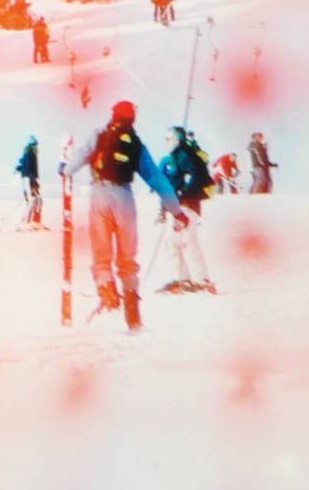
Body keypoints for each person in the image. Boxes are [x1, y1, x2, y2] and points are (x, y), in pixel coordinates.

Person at [63, 101, 188, 331]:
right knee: (127, 259)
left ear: (113, 115)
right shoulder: (135, 144)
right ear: (133, 118)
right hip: (124, 198)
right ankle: (133, 316)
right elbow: (156, 178)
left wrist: (65, 169)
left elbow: (76, 161)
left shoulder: (99, 135)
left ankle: (108, 295)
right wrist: (176, 210)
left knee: (102, 255)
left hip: (100, 194)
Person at [157, 127, 217, 294]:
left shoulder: (187, 157)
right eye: (166, 139)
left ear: (177, 139)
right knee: (172, 243)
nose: (167, 143)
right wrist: (164, 209)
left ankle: (201, 280)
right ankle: (181, 279)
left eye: (169, 139)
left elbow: (196, 179)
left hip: (186, 206)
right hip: (174, 207)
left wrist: (183, 196)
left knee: (188, 242)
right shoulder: (172, 159)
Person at [16, 136, 42, 227]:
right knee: (33, 201)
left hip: (28, 180)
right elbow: (29, 170)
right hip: (29, 180)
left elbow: (23, 166)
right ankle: (27, 223)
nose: (36, 147)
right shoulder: (30, 154)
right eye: (35, 145)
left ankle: (33, 222)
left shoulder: (28, 153)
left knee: (37, 200)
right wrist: (34, 183)